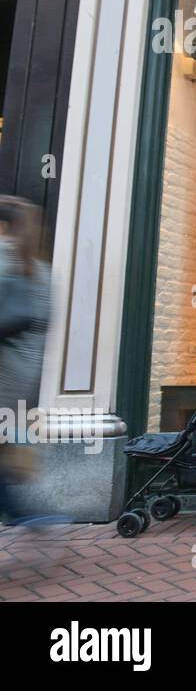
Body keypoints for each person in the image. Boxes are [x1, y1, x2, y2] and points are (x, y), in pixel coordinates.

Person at [0, 197, 54, 526]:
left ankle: (34, 516)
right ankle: (33, 517)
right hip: (23, 382)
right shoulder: (43, 274)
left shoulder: (5, 264)